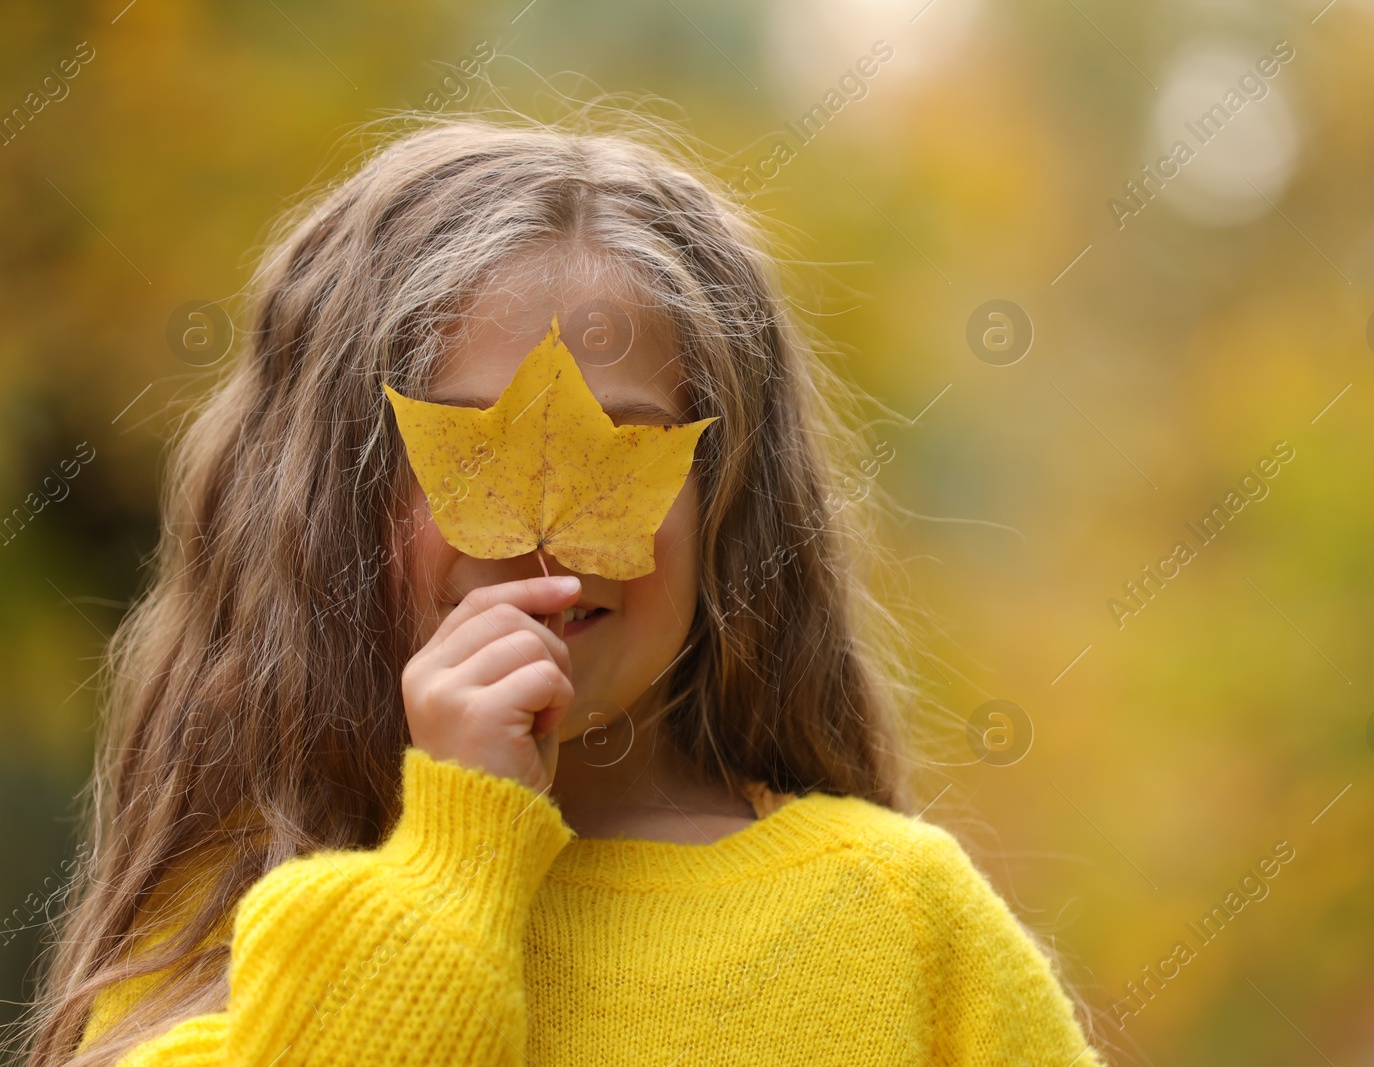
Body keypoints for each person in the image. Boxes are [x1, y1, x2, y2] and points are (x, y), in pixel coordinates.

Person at [19, 113, 1105, 1066]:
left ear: (725, 501)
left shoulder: (903, 920)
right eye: (470, 455)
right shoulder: (219, 943)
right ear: (330, 510)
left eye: (627, 447)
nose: (548, 538)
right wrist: (456, 857)